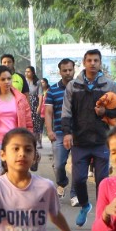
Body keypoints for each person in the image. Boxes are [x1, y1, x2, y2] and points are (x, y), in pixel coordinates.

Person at [61, 48, 116, 227]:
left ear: (100, 62)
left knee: (102, 181)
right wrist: (67, 132)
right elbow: (66, 111)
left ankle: (101, 214)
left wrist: (106, 111)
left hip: (101, 139)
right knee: (79, 179)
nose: (93, 63)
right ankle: (85, 205)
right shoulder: (74, 86)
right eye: (89, 60)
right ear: (84, 62)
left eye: (96, 60)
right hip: (79, 140)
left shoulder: (109, 86)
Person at [45, 58, 75, 200]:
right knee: (59, 165)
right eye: (65, 70)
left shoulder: (80, 88)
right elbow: (48, 112)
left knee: (78, 164)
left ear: (74, 70)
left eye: (70, 70)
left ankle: (75, 193)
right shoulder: (53, 90)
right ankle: (62, 183)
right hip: (59, 133)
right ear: (60, 72)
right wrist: (49, 131)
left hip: (78, 133)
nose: (68, 73)